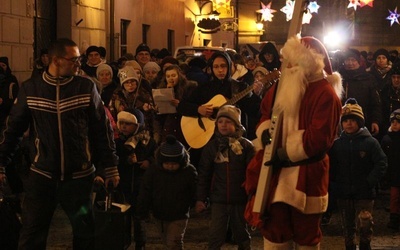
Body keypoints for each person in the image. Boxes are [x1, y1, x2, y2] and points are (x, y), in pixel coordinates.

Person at [0, 38, 120, 249]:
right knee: (32, 235)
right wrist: (1, 162)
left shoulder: (85, 87)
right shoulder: (31, 89)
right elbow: (14, 131)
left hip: (79, 178)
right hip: (42, 176)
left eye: (79, 59)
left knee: (85, 235)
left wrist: (110, 167)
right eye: (74, 59)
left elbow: (101, 130)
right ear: (55, 60)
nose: (78, 64)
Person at [244, 36, 343, 249]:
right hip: (276, 173)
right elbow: (264, 114)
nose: (288, 66)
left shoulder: (325, 93)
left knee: (305, 232)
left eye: (294, 61)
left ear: (309, 62)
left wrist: (283, 152)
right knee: (274, 230)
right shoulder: (282, 86)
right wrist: (264, 135)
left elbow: (319, 139)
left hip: (306, 174)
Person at [329, 98, 387, 250]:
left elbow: (381, 163)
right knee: (347, 227)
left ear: (360, 122)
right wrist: (335, 183)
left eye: (353, 120)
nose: (349, 123)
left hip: (364, 192)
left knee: (365, 223)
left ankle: (365, 245)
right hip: (344, 192)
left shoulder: (370, 143)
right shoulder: (337, 145)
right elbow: (332, 166)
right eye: (345, 120)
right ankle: (349, 246)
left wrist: (369, 182)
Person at [195, 105, 255, 249]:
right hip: (218, 200)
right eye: (220, 122)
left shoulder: (246, 147)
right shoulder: (212, 147)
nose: (223, 125)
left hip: (240, 199)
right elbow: (204, 174)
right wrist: (200, 199)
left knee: (241, 234)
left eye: (228, 122)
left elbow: (253, 174)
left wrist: (253, 197)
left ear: (236, 125)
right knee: (216, 234)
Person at [137, 134, 197, 249]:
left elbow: (195, 189)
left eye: (174, 164)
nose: (170, 166)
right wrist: (142, 210)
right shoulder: (153, 171)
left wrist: (195, 202)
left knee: (174, 243)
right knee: (166, 241)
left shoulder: (188, 172)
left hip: (179, 214)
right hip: (159, 214)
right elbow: (146, 191)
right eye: (167, 163)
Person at [115, 108, 157, 249]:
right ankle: (124, 243)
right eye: (121, 123)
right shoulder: (118, 142)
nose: (124, 127)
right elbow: (113, 159)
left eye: (128, 124)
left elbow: (156, 155)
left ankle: (141, 244)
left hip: (141, 186)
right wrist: (125, 160)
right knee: (124, 218)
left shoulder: (147, 141)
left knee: (139, 218)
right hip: (124, 187)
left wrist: (148, 162)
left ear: (137, 125)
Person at [339, 48, 382, 137]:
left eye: (353, 60)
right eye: (347, 60)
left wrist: (375, 120)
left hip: (364, 121)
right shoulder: (339, 78)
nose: (350, 63)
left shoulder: (368, 78)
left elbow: (375, 102)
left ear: (358, 62)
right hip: (343, 122)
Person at [381, 109, 400, 231]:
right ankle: (394, 218)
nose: (394, 124)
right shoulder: (386, 140)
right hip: (394, 173)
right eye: (392, 121)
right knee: (394, 197)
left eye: (397, 122)